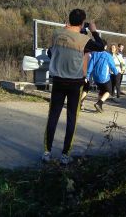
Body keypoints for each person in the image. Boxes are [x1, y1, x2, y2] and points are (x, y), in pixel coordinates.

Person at [43, 9, 104, 166]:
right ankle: (65, 155)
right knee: (72, 118)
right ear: (83, 23)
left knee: (53, 116)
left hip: (57, 81)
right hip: (75, 83)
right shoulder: (83, 40)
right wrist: (94, 31)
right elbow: (101, 46)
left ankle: (47, 152)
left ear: (68, 20)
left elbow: (51, 52)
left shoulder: (57, 34)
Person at [86, 40, 118, 112]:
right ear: (105, 47)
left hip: (95, 77)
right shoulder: (107, 55)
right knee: (109, 91)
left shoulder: (94, 54)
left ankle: (99, 107)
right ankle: (99, 103)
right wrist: (116, 72)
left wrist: (87, 75)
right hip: (104, 77)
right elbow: (112, 66)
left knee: (101, 90)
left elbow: (90, 66)